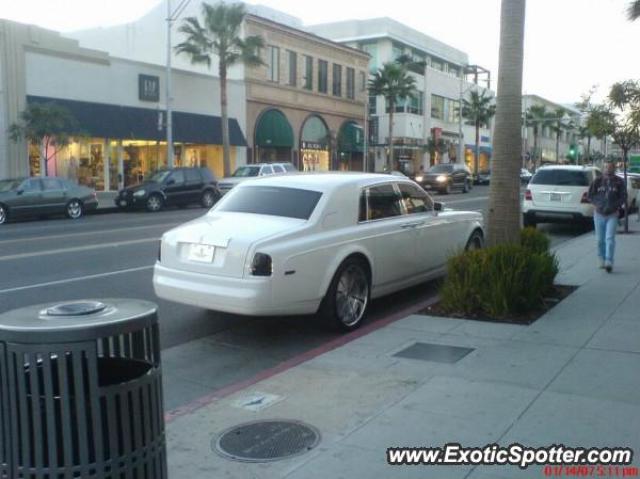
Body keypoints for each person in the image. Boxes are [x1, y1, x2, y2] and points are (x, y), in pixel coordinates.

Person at [587, 160, 627, 273]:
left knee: (609, 238)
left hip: (612, 214)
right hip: (599, 214)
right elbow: (590, 195)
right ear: (603, 168)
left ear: (613, 168)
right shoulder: (597, 181)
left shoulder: (619, 182)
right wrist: (597, 204)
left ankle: (609, 261)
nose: (607, 169)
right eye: (605, 167)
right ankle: (602, 258)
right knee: (600, 239)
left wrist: (616, 206)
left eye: (610, 167)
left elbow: (623, 196)